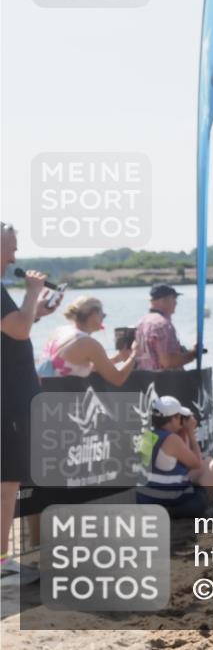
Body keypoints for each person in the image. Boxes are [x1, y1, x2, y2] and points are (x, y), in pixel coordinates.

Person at [1, 223, 63, 586]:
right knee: (7, 484)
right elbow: (18, 331)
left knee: (7, 483)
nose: (15, 257)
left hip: (11, 396)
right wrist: (33, 291)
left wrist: (36, 310)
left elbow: (15, 328)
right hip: (7, 401)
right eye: (11, 248)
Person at [137, 396, 213, 517]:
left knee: (209, 463)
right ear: (174, 418)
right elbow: (196, 463)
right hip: (176, 505)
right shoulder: (171, 439)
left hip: (147, 499)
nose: (182, 420)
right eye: (180, 417)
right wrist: (191, 434)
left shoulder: (147, 435)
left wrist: (183, 434)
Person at [37, 297, 137, 385]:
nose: (103, 318)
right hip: (60, 399)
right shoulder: (88, 343)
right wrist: (134, 354)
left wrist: (117, 359)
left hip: (41, 393)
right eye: (103, 315)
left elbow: (73, 365)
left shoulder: (61, 331)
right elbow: (118, 379)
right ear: (94, 314)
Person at [134, 284, 198, 371]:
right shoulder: (162, 324)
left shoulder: (141, 323)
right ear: (163, 300)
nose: (176, 302)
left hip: (146, 381)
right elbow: (167, 361)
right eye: (174, 298)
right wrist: (193, 354)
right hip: (165, 381)